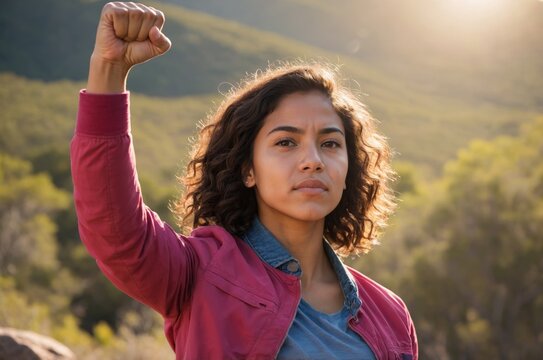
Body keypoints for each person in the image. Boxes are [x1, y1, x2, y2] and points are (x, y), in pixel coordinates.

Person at [71, 2, 418, 359]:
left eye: (330, 143)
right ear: (247, 169)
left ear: (350, 167)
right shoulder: (200, 273)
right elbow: (115, 230)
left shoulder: (389, 314)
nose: (313, 161)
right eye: (286, 142)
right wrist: (109, 70)